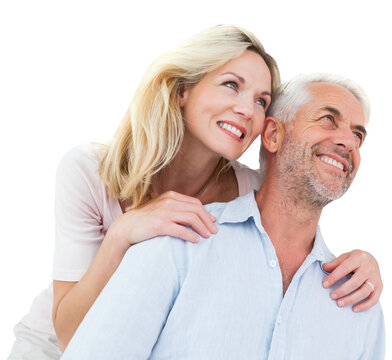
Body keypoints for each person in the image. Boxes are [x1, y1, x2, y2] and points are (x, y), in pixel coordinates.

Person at [8, 26, 383, 359]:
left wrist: (364, 262)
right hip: (51, 342)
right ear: (183, 89)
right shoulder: (90, 170)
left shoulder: (247, 189)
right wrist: (123, 233)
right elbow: (72, 338)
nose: (247, 110)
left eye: (261, 101)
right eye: (232, 85)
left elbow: (296, 216)